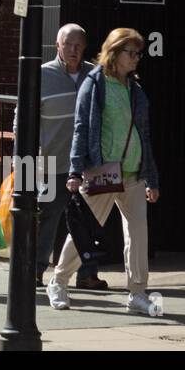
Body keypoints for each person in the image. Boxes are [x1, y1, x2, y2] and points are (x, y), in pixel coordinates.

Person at [47, 27, 160, 314]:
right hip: (104, 169)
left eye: (138, 53)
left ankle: (137, 293)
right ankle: (59, 280)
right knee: (83, 229)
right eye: (131, 53)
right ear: (115, 52)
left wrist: (151, 178)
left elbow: (142, 134)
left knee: (138, 234)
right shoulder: (95, 83)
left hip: (133, 171)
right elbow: (81, 129)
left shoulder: (134, 88)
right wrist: (75, 171)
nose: (136, 58)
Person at [34, 24, 103, 290]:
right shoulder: (42, 75)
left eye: (79, 46)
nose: (74, 50)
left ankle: (87, 273)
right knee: (47, 217)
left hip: (87, 165)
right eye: (69, 45)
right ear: (57, 45)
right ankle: (36, 270)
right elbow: (23, 119)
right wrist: (29, 156)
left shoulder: (94, 75)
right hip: (52, 161)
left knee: (87, 220)